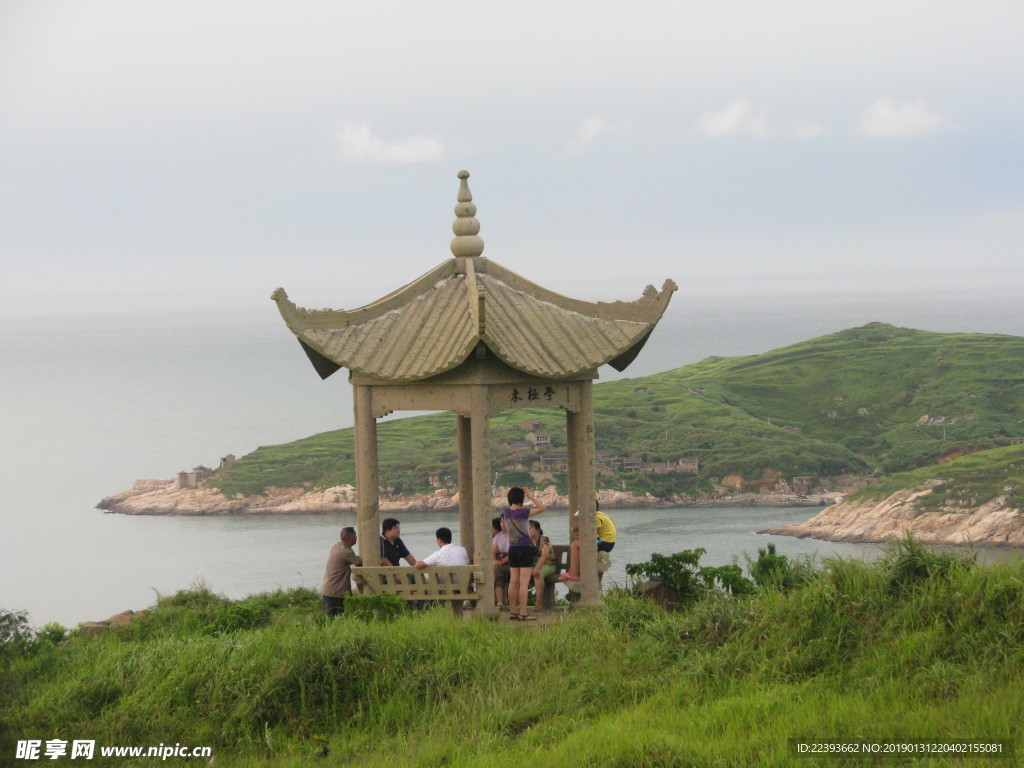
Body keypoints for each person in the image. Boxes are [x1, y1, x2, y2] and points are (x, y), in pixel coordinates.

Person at [503, 487, 546, 621]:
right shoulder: (523, 512)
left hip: (513, 548)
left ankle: (513, 610)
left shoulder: (506, 512)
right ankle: (523, 612)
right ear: (521, 499)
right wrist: (531, 496)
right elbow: (542, 508)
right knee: (524, 582)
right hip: (525, 548)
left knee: (513, 581)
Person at [559, 502, 616, 582]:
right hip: (607, 541)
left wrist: (579, 533)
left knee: (575, 545)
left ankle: (574, 574)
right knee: (576, 544)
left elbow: (591, 534)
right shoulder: (600, 514)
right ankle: (571, 572)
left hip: (606, 543)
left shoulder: (596, 518)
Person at [321, 527, 362, 617]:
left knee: (331, 620)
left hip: (328, 589)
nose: (356, 537)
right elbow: (360, 563)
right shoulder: (347, 552)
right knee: (338, 619)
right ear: (351, 537)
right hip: (336, 592)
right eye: (355, 535)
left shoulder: (336, 546)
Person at [529, 519, 555, 611]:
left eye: (530, 528)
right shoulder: (527, 541)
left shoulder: (544, 539)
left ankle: (538, 601)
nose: (528, 530)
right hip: (532, 565)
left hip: (548, 564)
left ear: (537, 530)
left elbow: (544, 556)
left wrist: (536, 568)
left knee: (538, 574)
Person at [492, 516, 510, 611]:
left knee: (498, 571)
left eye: (505, 521)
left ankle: (499, 602)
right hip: (499, 561)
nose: (502, 524)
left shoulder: (514, 535)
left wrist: (502, 561)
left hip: (510, 562)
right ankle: (499, 602)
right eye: (501, 522)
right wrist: (494, 560)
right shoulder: (498, 536)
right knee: (497, 571)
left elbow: (513, 553)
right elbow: (493, 551)